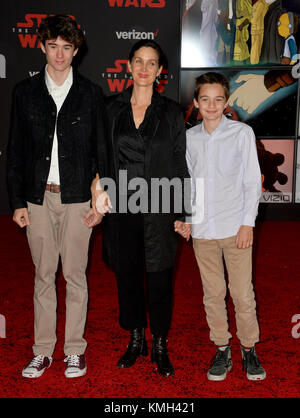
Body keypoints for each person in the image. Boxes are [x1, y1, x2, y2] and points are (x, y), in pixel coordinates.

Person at [6, 15, 107, 379]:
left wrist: (100, 202)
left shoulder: (91, 93)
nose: (59, 54)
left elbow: (101, 153)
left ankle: (75, 351)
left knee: (76, 276)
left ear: (76, 50)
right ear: (43, 47)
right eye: (53, 46)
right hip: (37, 199)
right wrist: (17, 202)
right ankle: (43, 351)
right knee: (43, 276)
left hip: (79, 197)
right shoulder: (24, 92)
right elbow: (15, 150)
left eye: (67, 47)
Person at [92, 39, 190, 377]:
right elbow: (99, 156)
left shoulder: (173, 112)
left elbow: (180, 163)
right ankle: (136, 338)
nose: (145, 68)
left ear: (161, 71)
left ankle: (159, 341)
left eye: (152, 63)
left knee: (160, 278)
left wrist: (182, 212)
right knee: (128, 276)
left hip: (161, 205)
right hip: (121, 206)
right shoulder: (109, 108)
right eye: (139, 61)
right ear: (129, 66)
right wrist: (97, 192)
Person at [186, 72, 266, 381]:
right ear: (196, 102)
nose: (211, 105)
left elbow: (250, 181)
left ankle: (248, 349)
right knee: (213, 293)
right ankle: (221, 347)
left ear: (226, 101)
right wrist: (187, 218)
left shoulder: (242, 133)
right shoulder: (189, 138)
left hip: (236, 228)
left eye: (218, 99)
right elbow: (188, 183)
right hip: (203, 230)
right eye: (205, 99)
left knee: (242, 293)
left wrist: (248, 224)